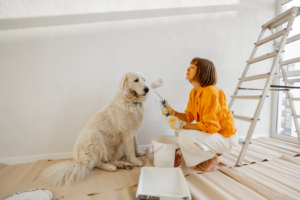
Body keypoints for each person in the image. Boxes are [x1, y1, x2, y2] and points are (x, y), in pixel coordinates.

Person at [160, 57, 238, 171]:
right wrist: (173, 112)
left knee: (183, 135)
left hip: (226, 138)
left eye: (192, 67)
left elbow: (212, 127)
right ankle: (211, 154)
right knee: (178, 132)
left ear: (203, 72)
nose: (188, 68)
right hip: (216, 135)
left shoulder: (211, 92)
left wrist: (182, 125)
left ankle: (213, 158)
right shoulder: (194, 92)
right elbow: (189, 116)